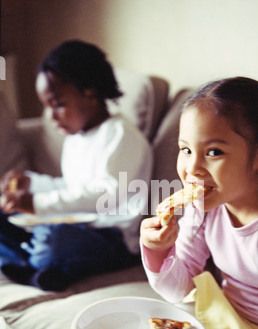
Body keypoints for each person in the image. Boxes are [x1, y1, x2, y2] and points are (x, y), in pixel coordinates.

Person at [0, 76, 258, 329]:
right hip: (216, 316)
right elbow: (179, 289)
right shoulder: (205, 206)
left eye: (213, 151)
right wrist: (158, 251)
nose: (192, 169)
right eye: (186, 150)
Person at [0, 40, 153, 290]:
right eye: (47, 107)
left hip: (113, 238)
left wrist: (36, 204)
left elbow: (105, 194)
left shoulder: (121, 136)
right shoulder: (76, 137)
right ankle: (38, 265)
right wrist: (32, 184)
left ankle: (32, 263)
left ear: (90, 93)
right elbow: (72, 187)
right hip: (77, 224)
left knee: (54, 238)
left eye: (58, 105)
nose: (50, 116)